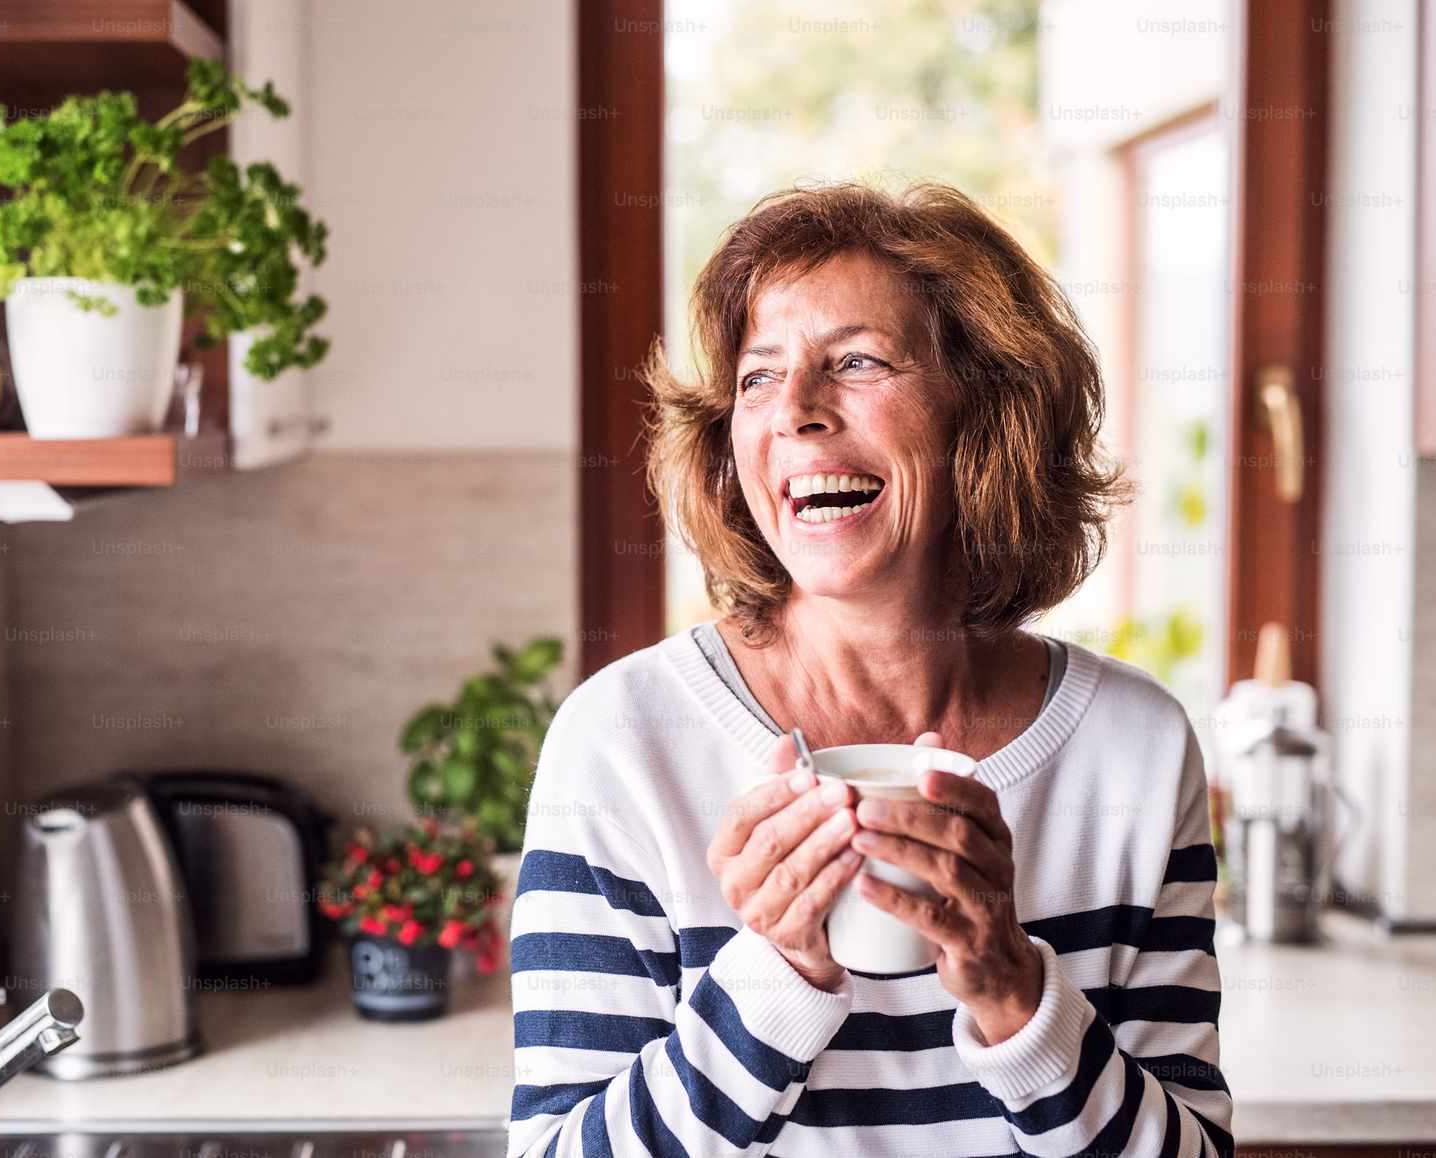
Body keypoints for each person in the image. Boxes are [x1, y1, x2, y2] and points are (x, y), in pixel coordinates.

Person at [508, 183, 1230, 1158]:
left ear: (985, 413)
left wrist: (1016, 994)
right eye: (759, 377)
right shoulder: (622, 745)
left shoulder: (1133, 749)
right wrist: (776, 974)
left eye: (856, 362)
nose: (796, 411)